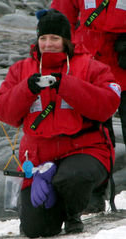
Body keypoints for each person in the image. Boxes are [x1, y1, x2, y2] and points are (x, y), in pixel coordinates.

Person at [0, 9, 120, 238]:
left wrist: (66, 85)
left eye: (54, 38)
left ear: (66, 40)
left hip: (85, 150)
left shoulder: (90, 66)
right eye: (43, 38)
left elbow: (108, 104)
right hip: (39, 159)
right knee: (36, 229)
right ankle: (52, 191)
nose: (48, 44)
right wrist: (27, 89)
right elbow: (4, 112)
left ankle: (72, 215)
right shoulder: (22, 70)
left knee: (71, 177)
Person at [51, 0, 126, 214]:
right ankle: (95, 196)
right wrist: (73, 56)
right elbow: (58, 20)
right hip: (91, 74)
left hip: (121, 65)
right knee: (95, 137)